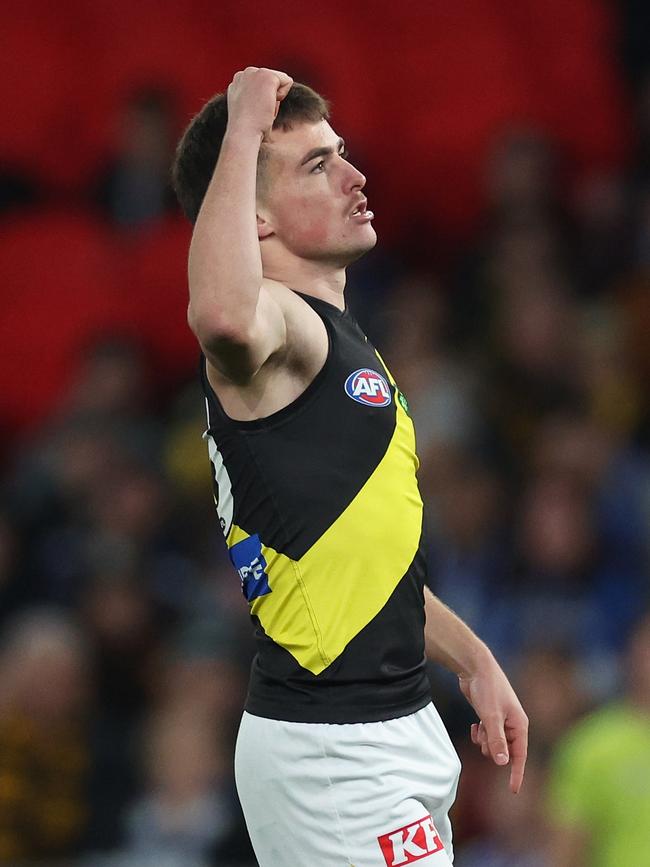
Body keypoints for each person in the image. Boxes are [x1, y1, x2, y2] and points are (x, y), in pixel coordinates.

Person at [172, 67, 528, 867]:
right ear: (253, 217)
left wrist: (475, 660)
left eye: (342, 154)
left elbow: (369, 569)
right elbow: (221, 312)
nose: (355, 177)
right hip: (333, 748)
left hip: (394, 729)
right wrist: (239, 129)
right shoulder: (276, 336)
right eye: (316, 165)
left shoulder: (341, 345)